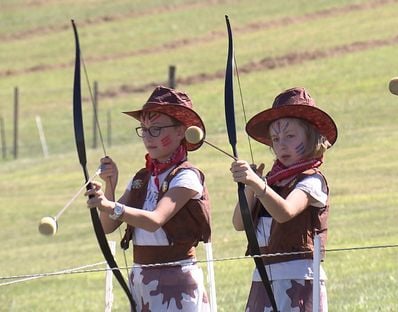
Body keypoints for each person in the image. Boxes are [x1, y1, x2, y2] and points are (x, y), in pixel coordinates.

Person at [85, 86, 211, 311]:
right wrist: (109, 187)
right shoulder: (142, 178)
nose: (147, 137)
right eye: (144, 129)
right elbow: (108, 226)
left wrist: (108, 204)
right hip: (142, 281)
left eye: (156, 129)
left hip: (177, 281)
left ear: (181, 131)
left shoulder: (186, 175)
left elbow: (154, 220)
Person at [230, 87, 337, 312]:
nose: (281, 145)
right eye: (276, 139)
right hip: (263, 278)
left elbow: (285, 212)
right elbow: (240, 223)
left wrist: (258, 185)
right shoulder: (271, 181)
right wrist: (251, 185)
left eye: (290, 136)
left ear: (312, 137)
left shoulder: (312, 180)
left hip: (298, 279)